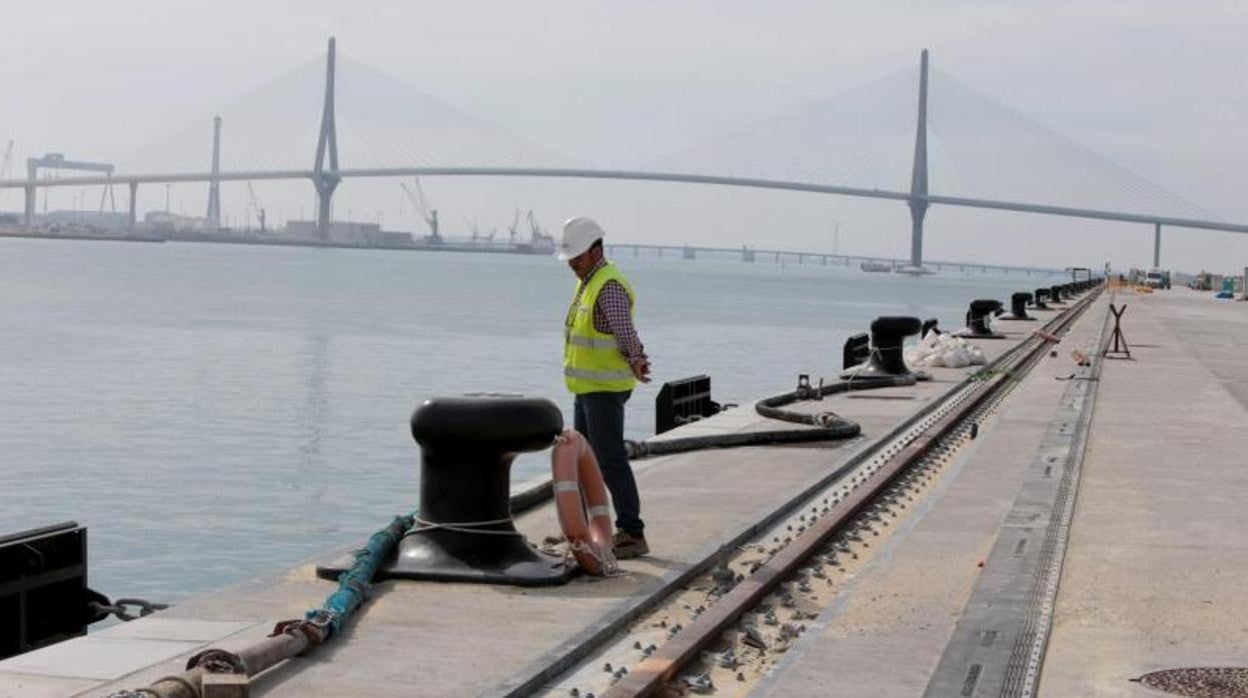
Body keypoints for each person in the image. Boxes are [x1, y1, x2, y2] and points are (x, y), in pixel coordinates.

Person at [558, 216, 651, 559]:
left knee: (609, 459)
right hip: (586, 386)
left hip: (603, 390)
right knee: (583, 462)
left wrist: (637, 358)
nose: (572, 265)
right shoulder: (588, 280)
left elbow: (623, 330)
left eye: (577, 258)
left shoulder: (607, 285)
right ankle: (581, 531)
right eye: (569, 259)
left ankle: (632, 532)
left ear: (596, 251)